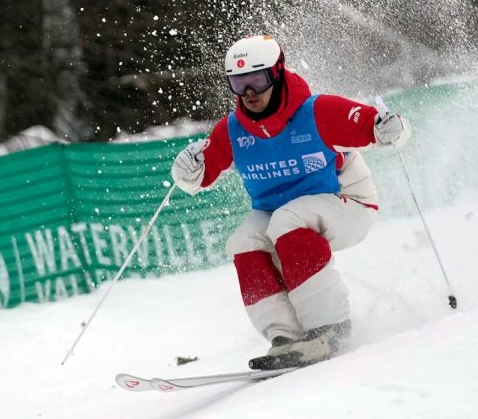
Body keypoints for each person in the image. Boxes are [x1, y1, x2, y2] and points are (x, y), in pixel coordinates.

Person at [170, 35, 410, 370]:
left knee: (288, 218)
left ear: (278, 73)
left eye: (258, 80)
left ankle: (329, 328)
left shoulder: (316, 111)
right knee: (242, 242)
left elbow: (379, 126)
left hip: (349, 203)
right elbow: (198, 176)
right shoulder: (233, 130)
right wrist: (185, 171)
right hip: (279, 214)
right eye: (238, 84)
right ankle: (287, 338)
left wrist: (392, 128)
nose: (249, 92)